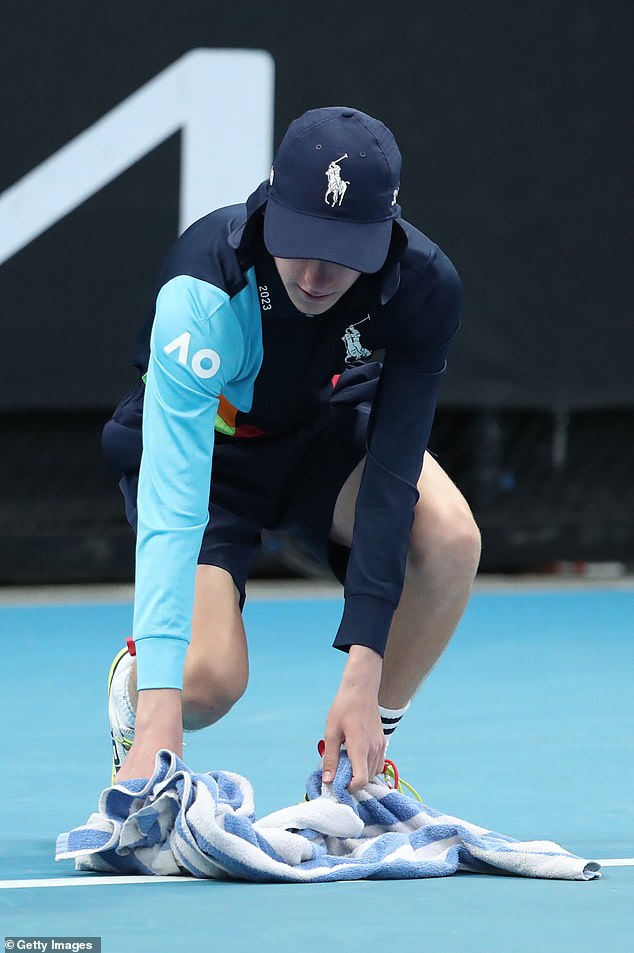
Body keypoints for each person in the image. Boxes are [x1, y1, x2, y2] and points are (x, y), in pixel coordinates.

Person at [101, 106, 481, 792]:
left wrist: (364, 676)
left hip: (322, 441)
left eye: (344, 253)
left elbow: (393, 477)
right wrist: (160, 718)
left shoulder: (424, 286)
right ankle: (137, 684)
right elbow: (172, 503)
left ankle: (360, 767)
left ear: (384, 237)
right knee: (210, 680)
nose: (314, 273)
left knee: (451, 539)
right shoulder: (205, 283)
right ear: (270, 205)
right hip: (213, 468)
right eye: (301, 238)